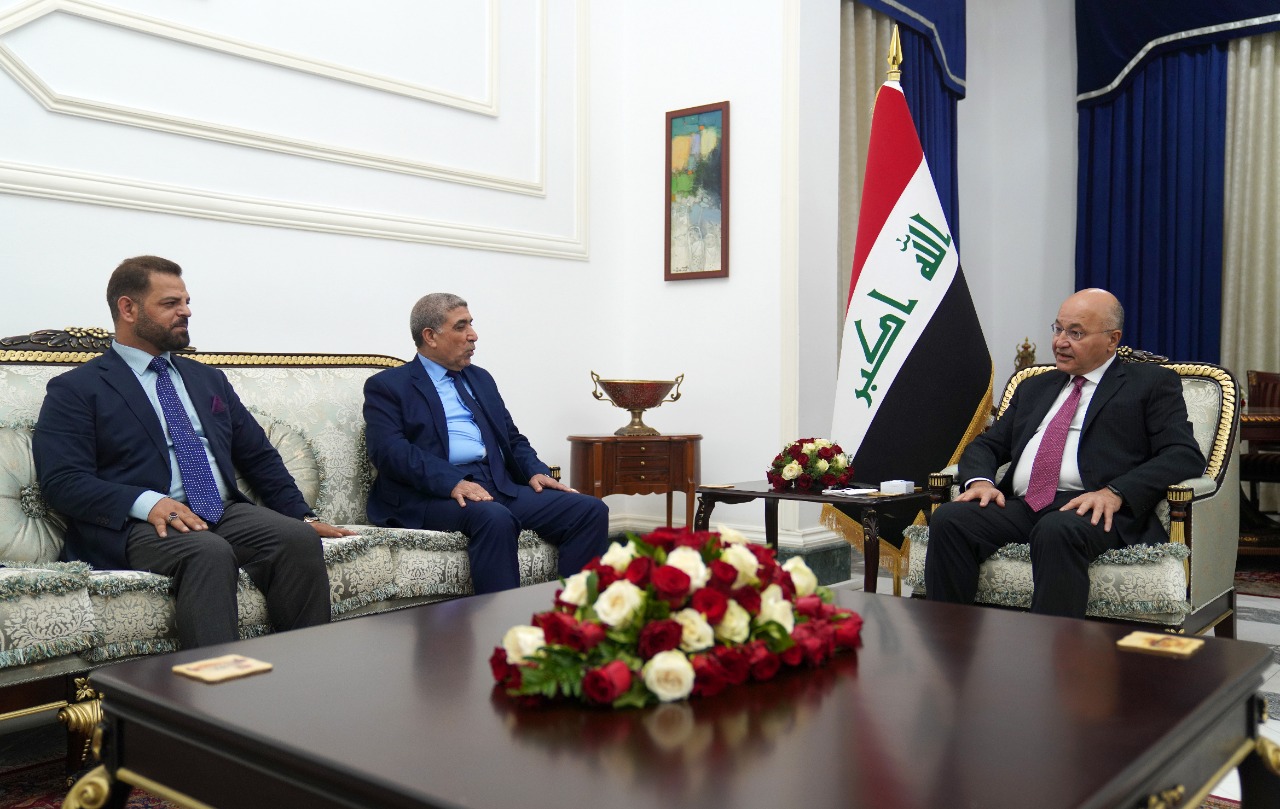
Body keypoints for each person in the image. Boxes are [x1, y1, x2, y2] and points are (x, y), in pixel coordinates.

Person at [33, 255, 353, 649]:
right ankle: (213, 684)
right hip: (137, 526)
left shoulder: (207, 379)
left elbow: (258, 455)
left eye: (186, 302)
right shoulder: (77, 389)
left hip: (220, 511)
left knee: (297, 539)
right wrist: (147, 502)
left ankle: (306, 670)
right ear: (128, 309)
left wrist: (301, 515)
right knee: (208, 552)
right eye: (170, 303)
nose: (185, 312)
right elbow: (63, 481)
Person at [924, 288, 1205, 617]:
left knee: (1057, 529)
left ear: (1112, 340)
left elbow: (1184, 454)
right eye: (1058, 329)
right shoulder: (1035, 387)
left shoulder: (1150, 383)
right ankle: (950, 638)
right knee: (951, 519)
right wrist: (981, 482)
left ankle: (1050, 647)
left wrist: (1116, 492)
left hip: (1092, 509)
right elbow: (988, 445)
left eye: (1076, 333)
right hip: (1025, 505)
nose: (1060, 342)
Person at [362, 293, 610, 594]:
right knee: (494, 517)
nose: (473, 335)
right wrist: (453, 482)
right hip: (430, 495)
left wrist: (535, 470)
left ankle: (573, 613)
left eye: (471, 324)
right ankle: (502, 622)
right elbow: (390, 452)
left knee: (589, 510)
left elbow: (511, 437)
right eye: (461, 326)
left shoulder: (480, 379)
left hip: (495, 484)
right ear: (430, 336)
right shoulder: (388, 386)